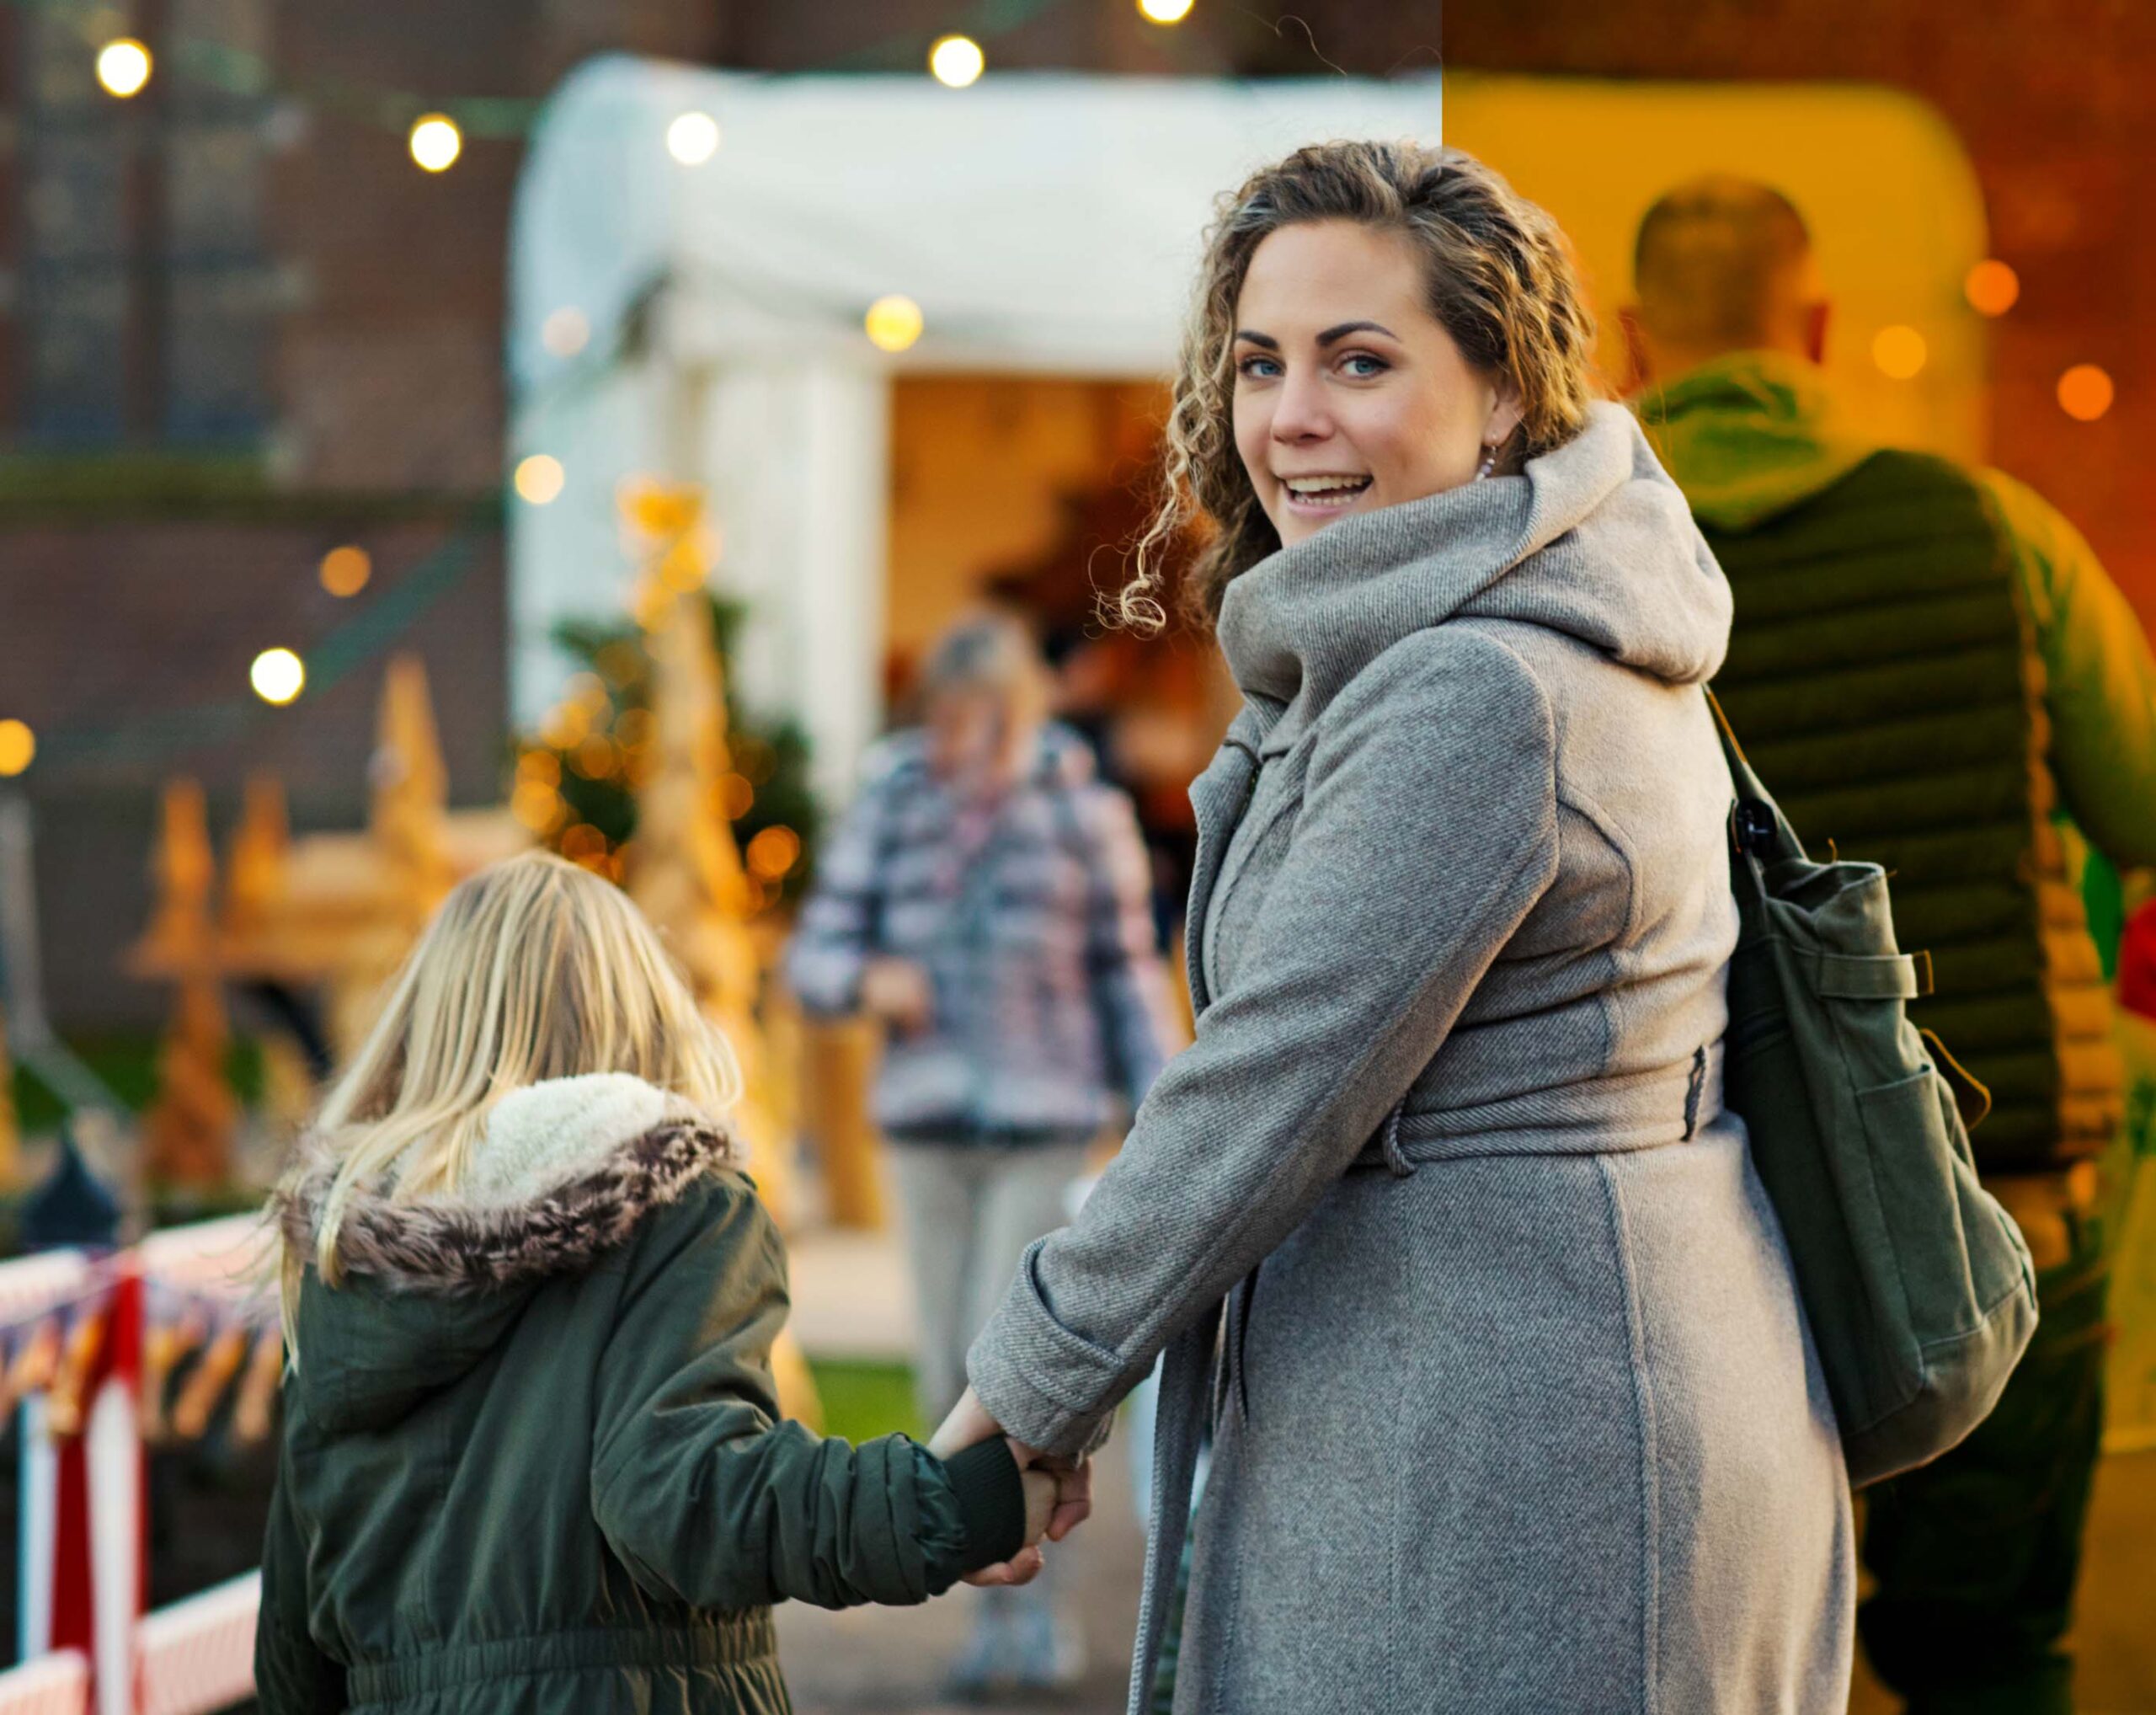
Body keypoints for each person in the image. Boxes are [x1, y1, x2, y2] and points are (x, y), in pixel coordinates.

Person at [932, 141, 1854, 1713]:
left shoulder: (1479, 692)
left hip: (1531, 1467)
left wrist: (1026, 1389)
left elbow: (1276, 1080)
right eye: (1260, 364)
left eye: (1360, 360)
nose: (1293, 418)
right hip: (1528, 1410)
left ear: (1505, 392)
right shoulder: (1487, 628)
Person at [1625, 174, 2156, 1715]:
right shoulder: (1997, 534)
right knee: (1996, 1669)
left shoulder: (1582, 576)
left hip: (1696, 1246)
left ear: (1641, 341)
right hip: (2003, 1210)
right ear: (1818, 328)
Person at [255, 852, 1053, 1715]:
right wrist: (946, 1508)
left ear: (424, 1022)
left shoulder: (346, 1249)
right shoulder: (678, 1206)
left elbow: (294, 1640)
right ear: (643, 1014)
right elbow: (687, 1498)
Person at [785, 611, 1177, 1696]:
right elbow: (816, 952)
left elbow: (1128, 976)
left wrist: (1171, 1120)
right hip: (923, 1130)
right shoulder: (892, 800)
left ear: (1025, 715)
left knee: (1013, 1361)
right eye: (949, 723)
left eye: (989, 723)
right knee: (939, 1372)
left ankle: (1042, 1603)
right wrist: (864, 982)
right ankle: (983, 1606)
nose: (968, 746)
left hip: (1043, 1125)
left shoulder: (1081, 814)